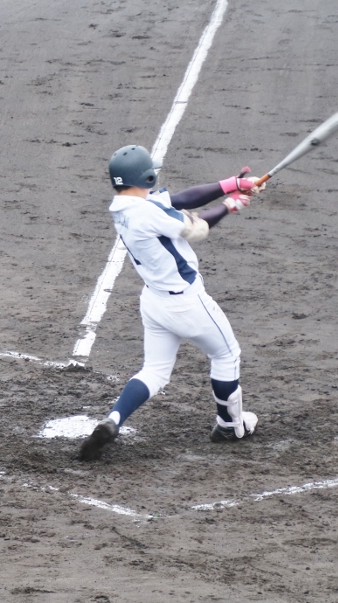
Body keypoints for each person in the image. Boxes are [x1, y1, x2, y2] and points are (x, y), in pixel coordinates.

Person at [78, 145, 263, 461]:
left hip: (154, 303)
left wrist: (231, 184)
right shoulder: (148, 213)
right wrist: (230, 206)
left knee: (154, 371)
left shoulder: (125, 206)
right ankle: (230, 426)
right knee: (226, 354)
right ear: (146, 177)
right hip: (188, 304)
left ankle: (113, 420)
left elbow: (180, 200)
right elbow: (198, 228)